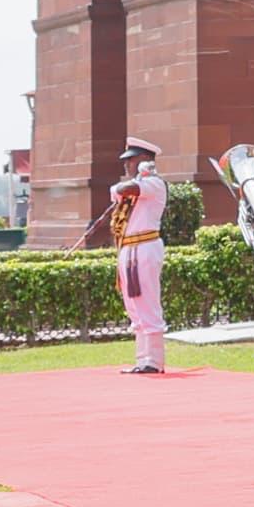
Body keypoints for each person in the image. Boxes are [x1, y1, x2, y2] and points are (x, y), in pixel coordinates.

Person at [111, 138, 170, 374]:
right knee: (133, 305)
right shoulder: (137, 186)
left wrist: (141, 176)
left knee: (147, 303)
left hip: (145, 245)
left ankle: (154, 361)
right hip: (128, 248)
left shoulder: (154, 184)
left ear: (144, 161)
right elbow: (115, 192)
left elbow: (125, 190)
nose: (126, 166)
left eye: (131, 161)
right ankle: (142, 358)